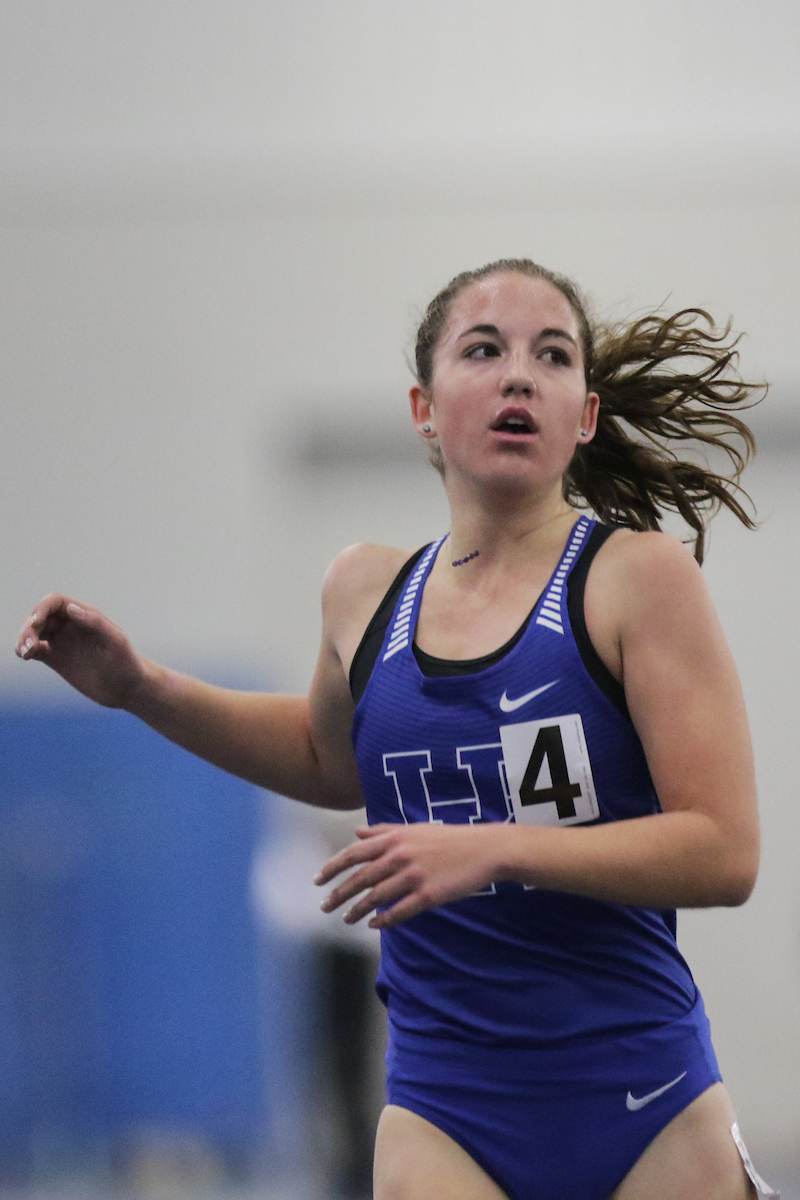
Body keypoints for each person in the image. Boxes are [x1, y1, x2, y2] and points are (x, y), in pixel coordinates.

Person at [16, 259, 778, 1200]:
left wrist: (497, 851)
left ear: (582, 415)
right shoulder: (364, 590)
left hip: (641, 1100)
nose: (518, 377)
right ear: (424, 408)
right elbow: (323, 759)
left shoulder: (638, 579)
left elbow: (725, 850)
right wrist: (141, 687)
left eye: (552, 356)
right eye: (484, 350)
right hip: (445, 1109)